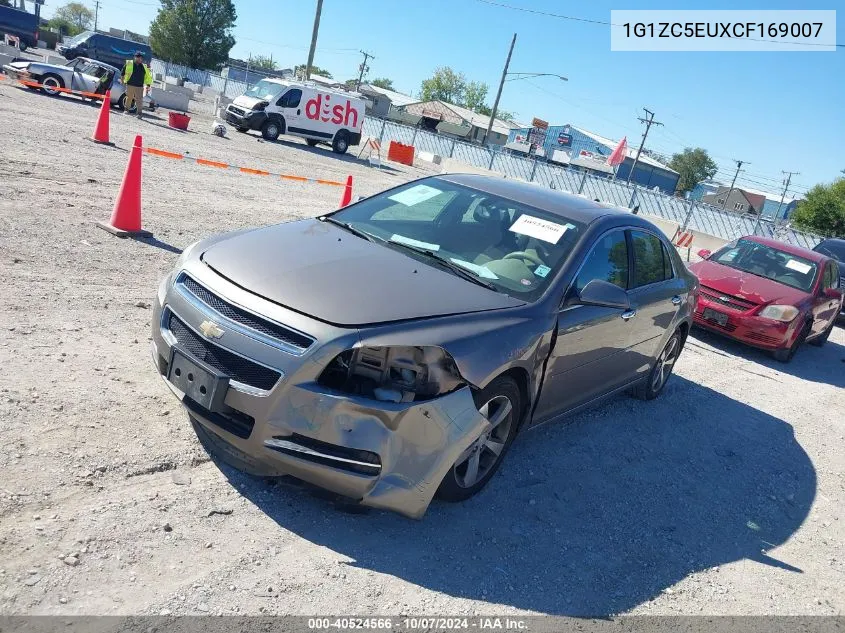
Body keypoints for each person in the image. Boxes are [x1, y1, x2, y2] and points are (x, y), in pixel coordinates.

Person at [122, 51, 152, 120]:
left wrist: (148, 85)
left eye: (141, 58)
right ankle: (126, 110)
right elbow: (122, 73)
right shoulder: (129, 64)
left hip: (139, 86)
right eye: (138, 57)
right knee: (129, 98)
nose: (139, 59)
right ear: (135, 57)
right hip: (130, 84)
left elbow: (148, 77)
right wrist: (123, 81)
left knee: (139, 100)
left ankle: (139, 114)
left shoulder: (144, 67)